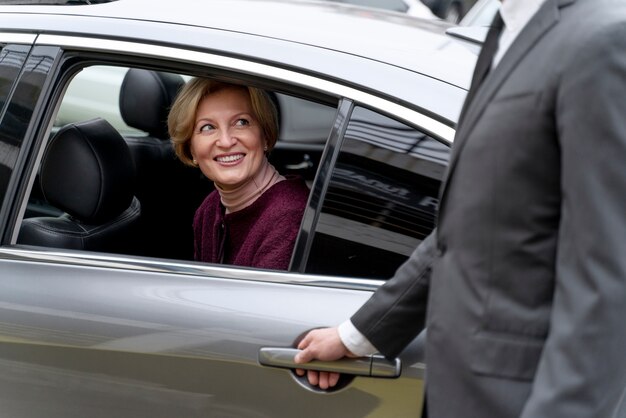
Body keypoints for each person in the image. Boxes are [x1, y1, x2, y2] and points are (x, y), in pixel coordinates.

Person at [294, 0, 626, 417]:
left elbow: (608, 276)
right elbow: (466, 226)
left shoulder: (602, 38)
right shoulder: (507, 30)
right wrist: (358, 335)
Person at [168, 78, 309, 270]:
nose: (225, 142)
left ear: (265, 135)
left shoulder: (290, 216)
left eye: (241, 122)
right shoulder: (208, 210)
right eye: (208, 127)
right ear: (191, 150)